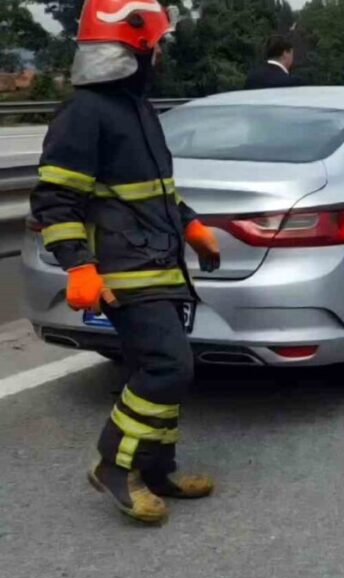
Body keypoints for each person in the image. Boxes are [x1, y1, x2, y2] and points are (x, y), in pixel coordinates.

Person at [29, 0, 222, 525]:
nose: (161, 56)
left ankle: (157, 468)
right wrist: (78, 265)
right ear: (134, 49)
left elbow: (155, 195)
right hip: (123, 274)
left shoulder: (139, 111)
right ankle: (114, 465)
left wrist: (192, 226)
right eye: (156, 46)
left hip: (159, 265)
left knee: (163, 371)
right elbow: (54, 200)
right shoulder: (85, 113)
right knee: (167, 367)